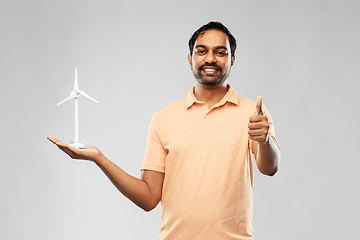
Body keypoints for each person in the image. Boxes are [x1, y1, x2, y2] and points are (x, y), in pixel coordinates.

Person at [48, 21, 280, 240]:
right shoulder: (164, 119)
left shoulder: (254, 113)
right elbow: (149, 197)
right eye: (201, 51)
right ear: (190, 59)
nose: (211, 58)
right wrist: (99, 158)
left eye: (221, 52)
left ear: (233, 59)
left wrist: (265, 139)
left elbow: (269, 168)